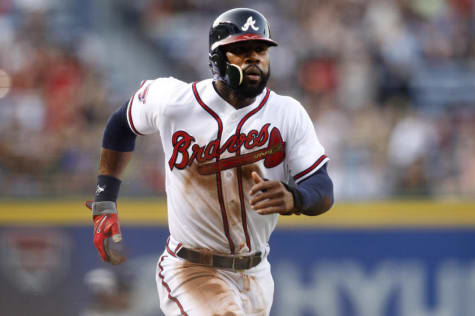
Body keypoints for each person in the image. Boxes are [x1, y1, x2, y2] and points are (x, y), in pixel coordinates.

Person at [87, 8, 334, 316]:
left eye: (260, 49)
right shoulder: (175, 101)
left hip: (257, 273)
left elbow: (323, 189)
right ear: (217, 58)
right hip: (191, 268)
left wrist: (295, 197)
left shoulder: (287, 113)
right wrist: (105, 199)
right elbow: (121, 124)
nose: (254, 58)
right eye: (241, 50)